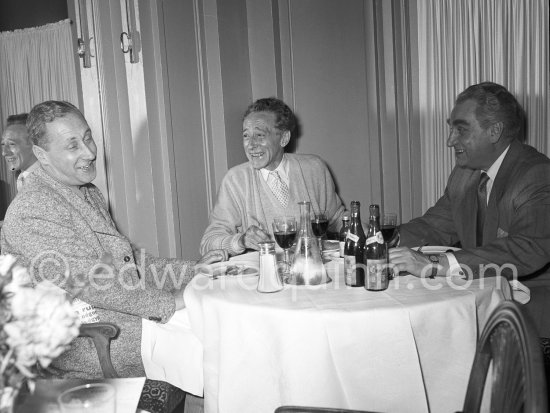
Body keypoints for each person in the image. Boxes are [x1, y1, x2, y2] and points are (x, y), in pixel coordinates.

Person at [0, 100, 226, 379]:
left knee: (218, 322)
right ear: (42, 155)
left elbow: (127, 262)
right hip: (91, 341)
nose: (89, 152)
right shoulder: (32, 209)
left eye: (87, 137)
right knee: (217, 337)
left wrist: (193, 271)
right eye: (72, 146)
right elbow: (92, 283)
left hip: (123, 316)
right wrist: (169, 302)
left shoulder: (86, 192)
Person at [389, 82, 550, 285]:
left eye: (461, 130)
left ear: (494, 131)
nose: (450, 141)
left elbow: (528, 247)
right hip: (479, 292)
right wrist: (381, 238)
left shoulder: (537, 174)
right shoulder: (464, 174)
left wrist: (434, 263)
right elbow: (435, 226)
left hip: (527, 302)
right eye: (451, 129)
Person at [200, 97, 346, 256]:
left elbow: (337, 218)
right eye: (246, 136)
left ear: (284, 138)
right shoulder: (235, 180)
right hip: (262, 276)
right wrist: (241, 240)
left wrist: (363, 231)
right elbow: (208, 242)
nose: (251, 145)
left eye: (260, 135)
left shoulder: (314, 168)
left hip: (311, 271)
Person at [1, 113, 39, 190]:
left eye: (12, 144)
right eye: (3, 144)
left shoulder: (47, 181)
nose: (4, 153)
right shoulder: (22, 178)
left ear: (32, 143)